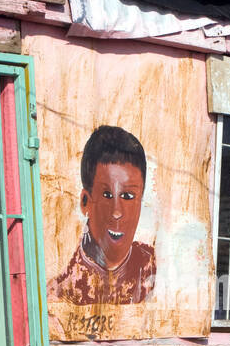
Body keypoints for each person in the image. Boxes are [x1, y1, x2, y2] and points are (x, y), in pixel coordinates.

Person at [50, 125, 156, 305]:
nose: (117, 212)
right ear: (85, 202)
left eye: (128, 196)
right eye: (107, 195)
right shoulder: (62, 295)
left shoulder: (151, 267)